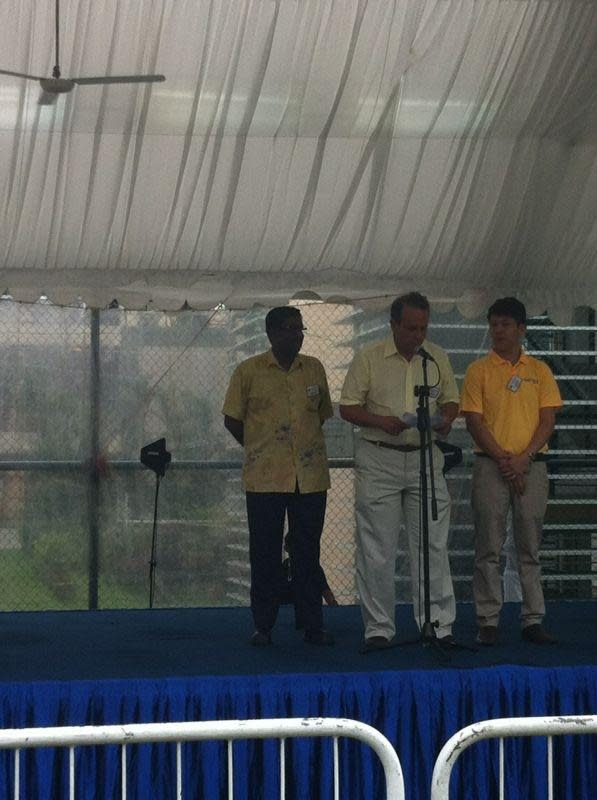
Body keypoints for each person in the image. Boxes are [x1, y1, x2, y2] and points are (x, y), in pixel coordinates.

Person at [339, 292, 459, 652]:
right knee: (378, 548)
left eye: (423, 328)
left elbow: (451, 400)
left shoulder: (436, 357)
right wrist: (382, 422)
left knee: (432, 544)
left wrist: (446, 419)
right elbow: (347, 408)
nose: (417, 335)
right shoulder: (369, 357)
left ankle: (436, 624)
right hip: (380, 457)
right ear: (393, 325)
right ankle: (379, 628)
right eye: (410, 328)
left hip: (424, 456)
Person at [222, 306, 335, 646]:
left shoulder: (314, 369)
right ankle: (264, 626)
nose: (296, 335)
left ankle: (312, 624)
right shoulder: (248, 371)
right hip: (265, 478)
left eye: (300, 329)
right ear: (271, 334)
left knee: (307, 552)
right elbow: (232, 419)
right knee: (265, 552)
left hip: (310, 477)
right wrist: (260, 446)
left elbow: (322, 414)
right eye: (288, 329)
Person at [460, 297, 562, 646]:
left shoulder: (540, 371)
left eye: (505, 324)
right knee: (487, 545)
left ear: (521, 329)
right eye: (494, 324)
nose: (498, 330)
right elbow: (474, 422)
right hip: (491, 466)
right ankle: (488, 619)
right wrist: (506, 460)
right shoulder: (478, 371)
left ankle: (532, 618)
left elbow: (547, 421)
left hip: (531, 466)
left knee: (529, 546)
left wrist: (524, 458)